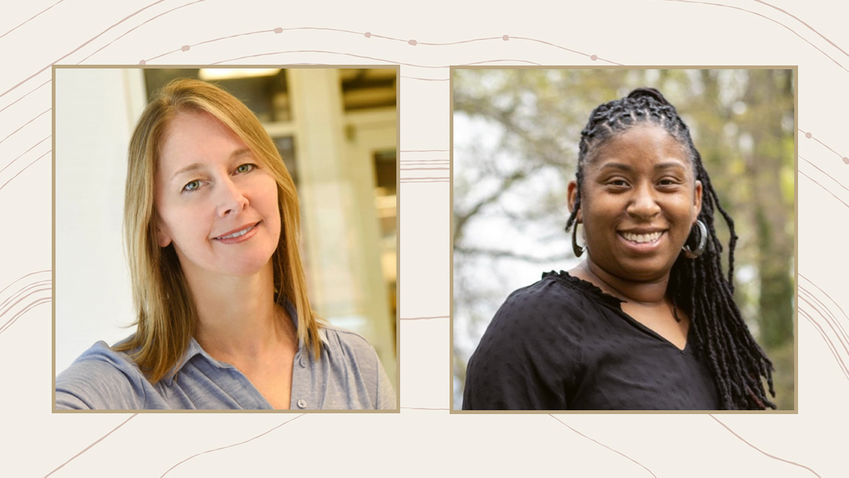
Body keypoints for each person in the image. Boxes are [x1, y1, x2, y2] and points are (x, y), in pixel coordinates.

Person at [56, 79, 395, 410]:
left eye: (243, 167)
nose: (233, 199)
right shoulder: (121, 388)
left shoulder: (355, 363)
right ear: (158, 225)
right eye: (193, 184)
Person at [462, 87, 774, 410]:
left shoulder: (715, 335)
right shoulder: (535, 326)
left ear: (695, 200)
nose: (643, 206)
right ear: (577, 200)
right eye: (618, 183)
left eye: (666, 182)